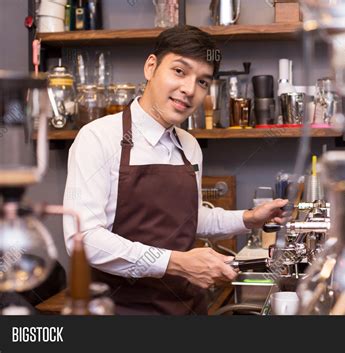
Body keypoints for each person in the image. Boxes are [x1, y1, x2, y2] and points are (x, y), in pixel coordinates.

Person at [63, 25, 288, 315]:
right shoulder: (98, 138)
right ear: (151, 67)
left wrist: (249, 218)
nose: (190, 90)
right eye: (179, 71)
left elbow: (187, 219)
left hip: (188, 309)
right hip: (122, 312)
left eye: (203, 82)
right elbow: (85, 240)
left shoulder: (189, 145)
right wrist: (177, 263)